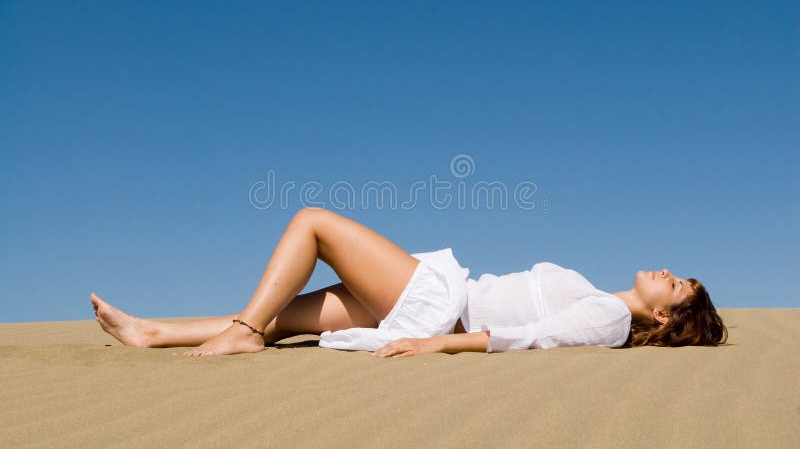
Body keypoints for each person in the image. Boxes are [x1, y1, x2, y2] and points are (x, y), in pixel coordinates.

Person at [90, 207, 728, 357]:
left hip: (441, 306)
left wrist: (438, 345)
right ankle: (153, 332)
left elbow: (532, 339)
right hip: (436, 303)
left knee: (312, 221)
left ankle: (240, 334)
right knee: (280, 317)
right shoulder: (602, 297)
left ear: (667, 319)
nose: (668, 273)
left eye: (678, 287)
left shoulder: (611, 320)